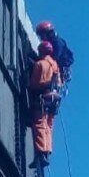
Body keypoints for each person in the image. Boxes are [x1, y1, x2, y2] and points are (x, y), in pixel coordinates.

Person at [28, 40, 61, 168]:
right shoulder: (55, 65)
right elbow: (59, 83)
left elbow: (34, 84)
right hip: (54, 99)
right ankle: (47, 151)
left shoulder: (40, 64)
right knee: (48, 126)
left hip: (44, 98)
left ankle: (41, 154)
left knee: (40, 124)